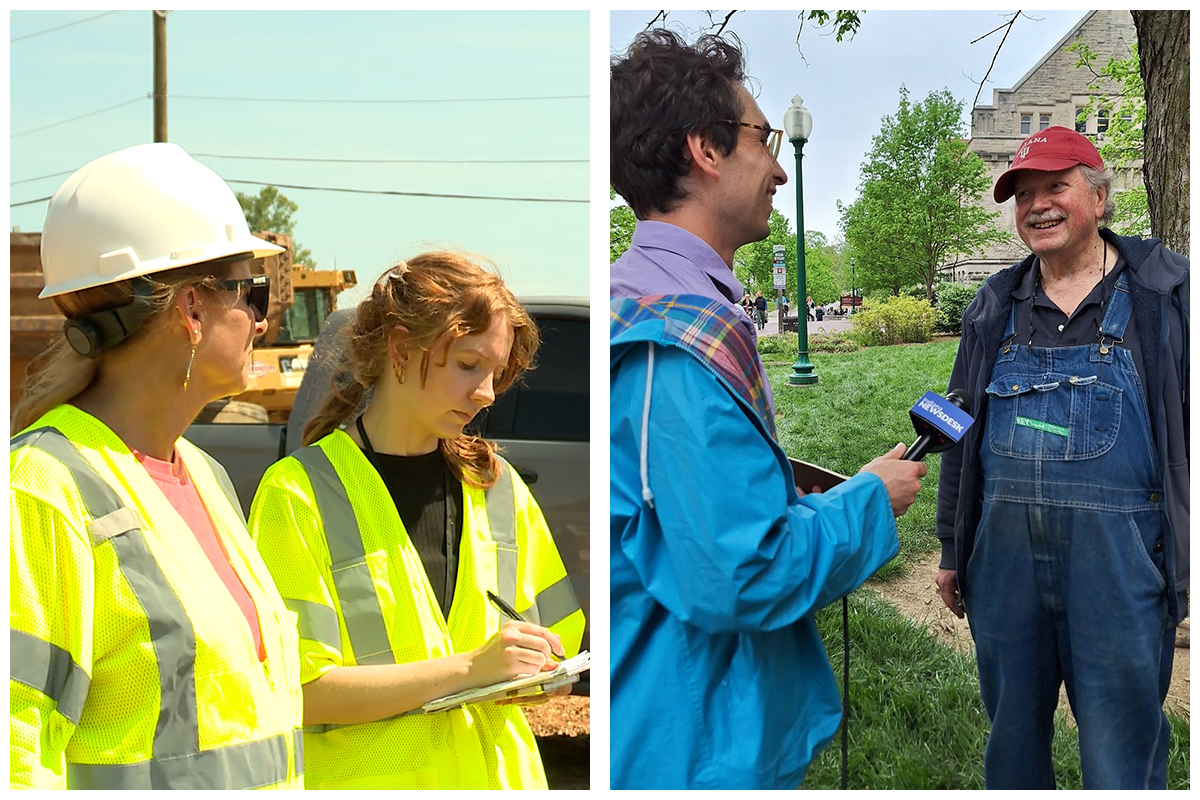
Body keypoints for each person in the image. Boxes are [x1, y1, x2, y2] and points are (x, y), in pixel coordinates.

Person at [609, 30, 927, 790]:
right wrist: (867, 502)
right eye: (764, 138)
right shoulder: (672, 342)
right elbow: (742, 575)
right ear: (706, 151)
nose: (781, 167)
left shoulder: (639, 305)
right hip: (690, 745)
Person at [9, 143, 304, 789]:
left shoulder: (203, 472)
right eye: (251, 294)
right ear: (192, 309)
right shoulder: (39, 490)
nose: (260, 320)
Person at [248, 253, 585, 790]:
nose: (487, 393)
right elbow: (297, 693)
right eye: (469, 365)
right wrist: (471, 671)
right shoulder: (298, 493)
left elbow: (559, 654)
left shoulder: (498, 487)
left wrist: (544, 669)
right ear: (401, 348)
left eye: (496, 373)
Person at [935, 126, 1189, 789]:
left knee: (1120, 753)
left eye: (1055, 187)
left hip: (1122, 567)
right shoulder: (994, 306)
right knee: (1012, 745)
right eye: (1023, 194)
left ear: (1100, 199)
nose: (1037, 205)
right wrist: (949, 549)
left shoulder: (1166, 299)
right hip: (1005, 572)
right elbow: (959, 430)